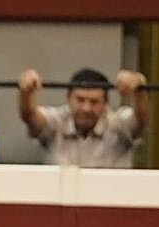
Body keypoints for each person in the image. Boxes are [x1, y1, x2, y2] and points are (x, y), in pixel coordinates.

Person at [18, 67, 148, 168]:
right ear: (68, 98)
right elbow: (29, 116)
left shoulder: (117, 123)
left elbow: (141, 119)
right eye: (80, 100)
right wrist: (26, 93)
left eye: (94, 102)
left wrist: (139, 87)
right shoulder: (57, 120)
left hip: (108, 199)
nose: (86, 108)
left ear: (105, 103)